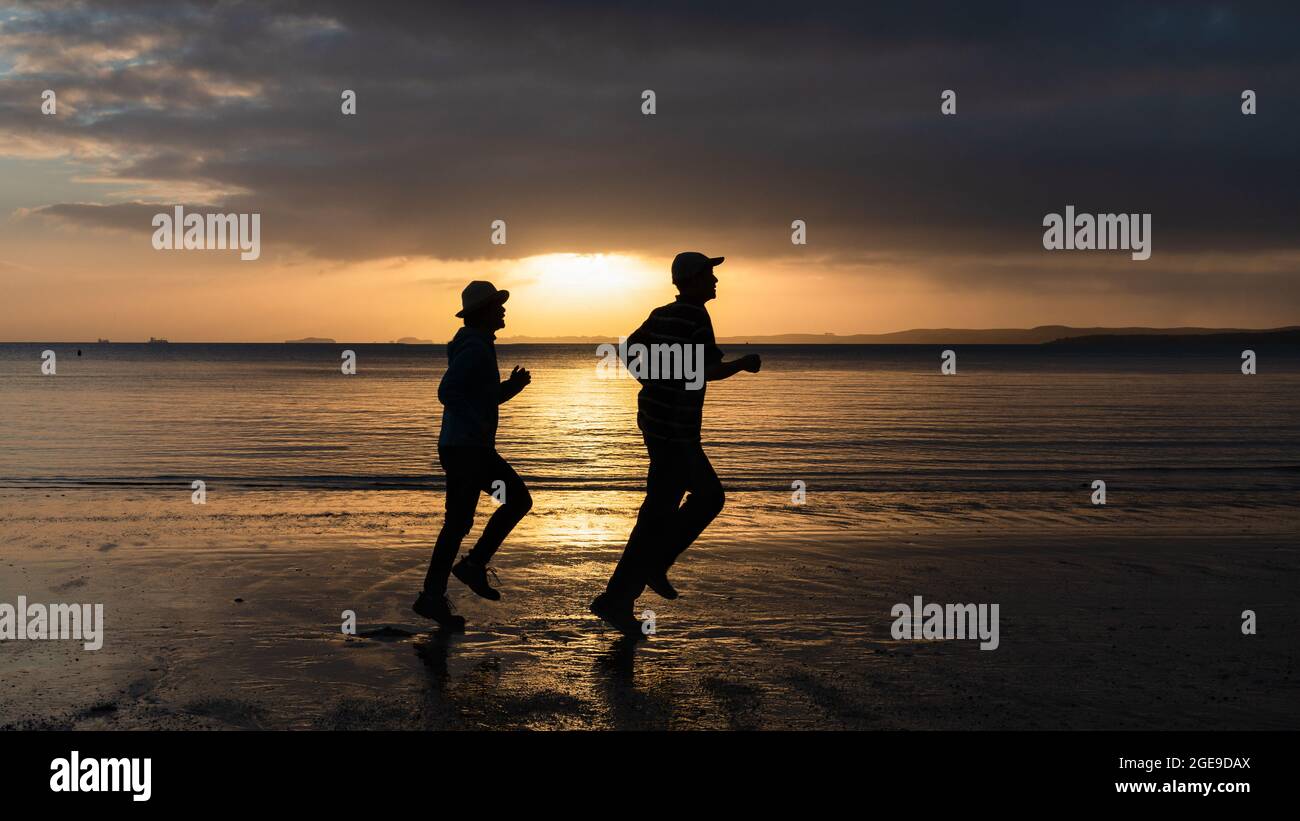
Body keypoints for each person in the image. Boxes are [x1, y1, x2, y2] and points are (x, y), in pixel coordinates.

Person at [591, 252, 761, 638]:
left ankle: (618, 597)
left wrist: (652, 379)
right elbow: (709, 370)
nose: (715, 281)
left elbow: (628, 348)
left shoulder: (660, 313)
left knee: (657, 512)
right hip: (676, 432)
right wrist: (744, 363)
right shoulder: (695, 317)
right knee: (708, 497)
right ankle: (650, 568)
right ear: (694, 280)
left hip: (656, 424)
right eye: (709, 275)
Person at [414, 280, 533, 630]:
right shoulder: (476, 348)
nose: (503, 309)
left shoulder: (478, 345)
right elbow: (448, 391)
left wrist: (513, 387)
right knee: (517, 501)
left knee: (458, 523)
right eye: (498, 305)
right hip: (468, 449)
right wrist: (476, 422)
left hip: (463, 447)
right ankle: (471, 566)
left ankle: (434, 595)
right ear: (484, 312)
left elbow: (482, 397)